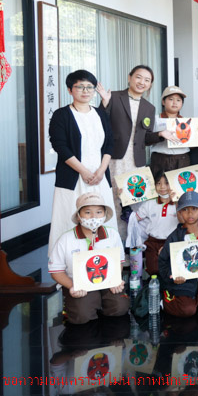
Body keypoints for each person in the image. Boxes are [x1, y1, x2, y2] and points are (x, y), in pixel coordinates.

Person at [48, 70, 117, 255]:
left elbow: (109, 143)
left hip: (100, 177)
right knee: (68, 220)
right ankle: (67, 265)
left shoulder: (100, 114)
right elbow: (60, 146)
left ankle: (105, 261)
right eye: (80, 87)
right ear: (70, 90)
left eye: (89, 87)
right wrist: (84, 172)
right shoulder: (61, 115)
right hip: (73, 177)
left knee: (102, 219)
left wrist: (101, 170)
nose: (85, 91)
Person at [97, 65, 176, 221]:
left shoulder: (149, 108)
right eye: (138, 77)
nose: (142, 82)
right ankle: (114, 232)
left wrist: (160, 134)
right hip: (115, 158)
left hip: (136, 161)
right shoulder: (114, 97)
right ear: (130, 77)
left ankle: (132, 234)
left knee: (135, 199)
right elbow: (100, 124)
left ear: (150, 84)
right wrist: (104, 104)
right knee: (114, 197)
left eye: (147, 80)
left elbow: (145, 138)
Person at [48, 193, 129, 324]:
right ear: (78, 216)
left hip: (106, 282)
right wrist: (72, 286)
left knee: (120, 307)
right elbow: (56, 271)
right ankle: (79, 304)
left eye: (99, 212)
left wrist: (115, 280)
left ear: (104, 215)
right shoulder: (65, 239)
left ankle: (99, 304)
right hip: (78, 285)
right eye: (87, 212)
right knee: (82, 316)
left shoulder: (112, 234)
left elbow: (118, 261)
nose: (93, 217)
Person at [129, 166, 176, 276]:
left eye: (166, 183)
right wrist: (124, 196)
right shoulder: (149, 204)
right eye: (158, 183)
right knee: (153, 269)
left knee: (170, 271)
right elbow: (135, 219)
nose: (162, 187)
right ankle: (154, 285)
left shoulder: (177, 204)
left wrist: (177, 202)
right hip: (152, 242)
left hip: (172, 242)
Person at [149, 86, 194, 173]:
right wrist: (160, 134)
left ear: (182, 103)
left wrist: (196, 132)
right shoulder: (155, 119)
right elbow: (147, 139)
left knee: (180, 181)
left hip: (182, 158)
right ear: (163, 102)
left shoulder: (187, 122)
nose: (175, 103)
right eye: (171, 99)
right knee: (160, 181)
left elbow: (191, 145)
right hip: (160, 158)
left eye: (178, 100)